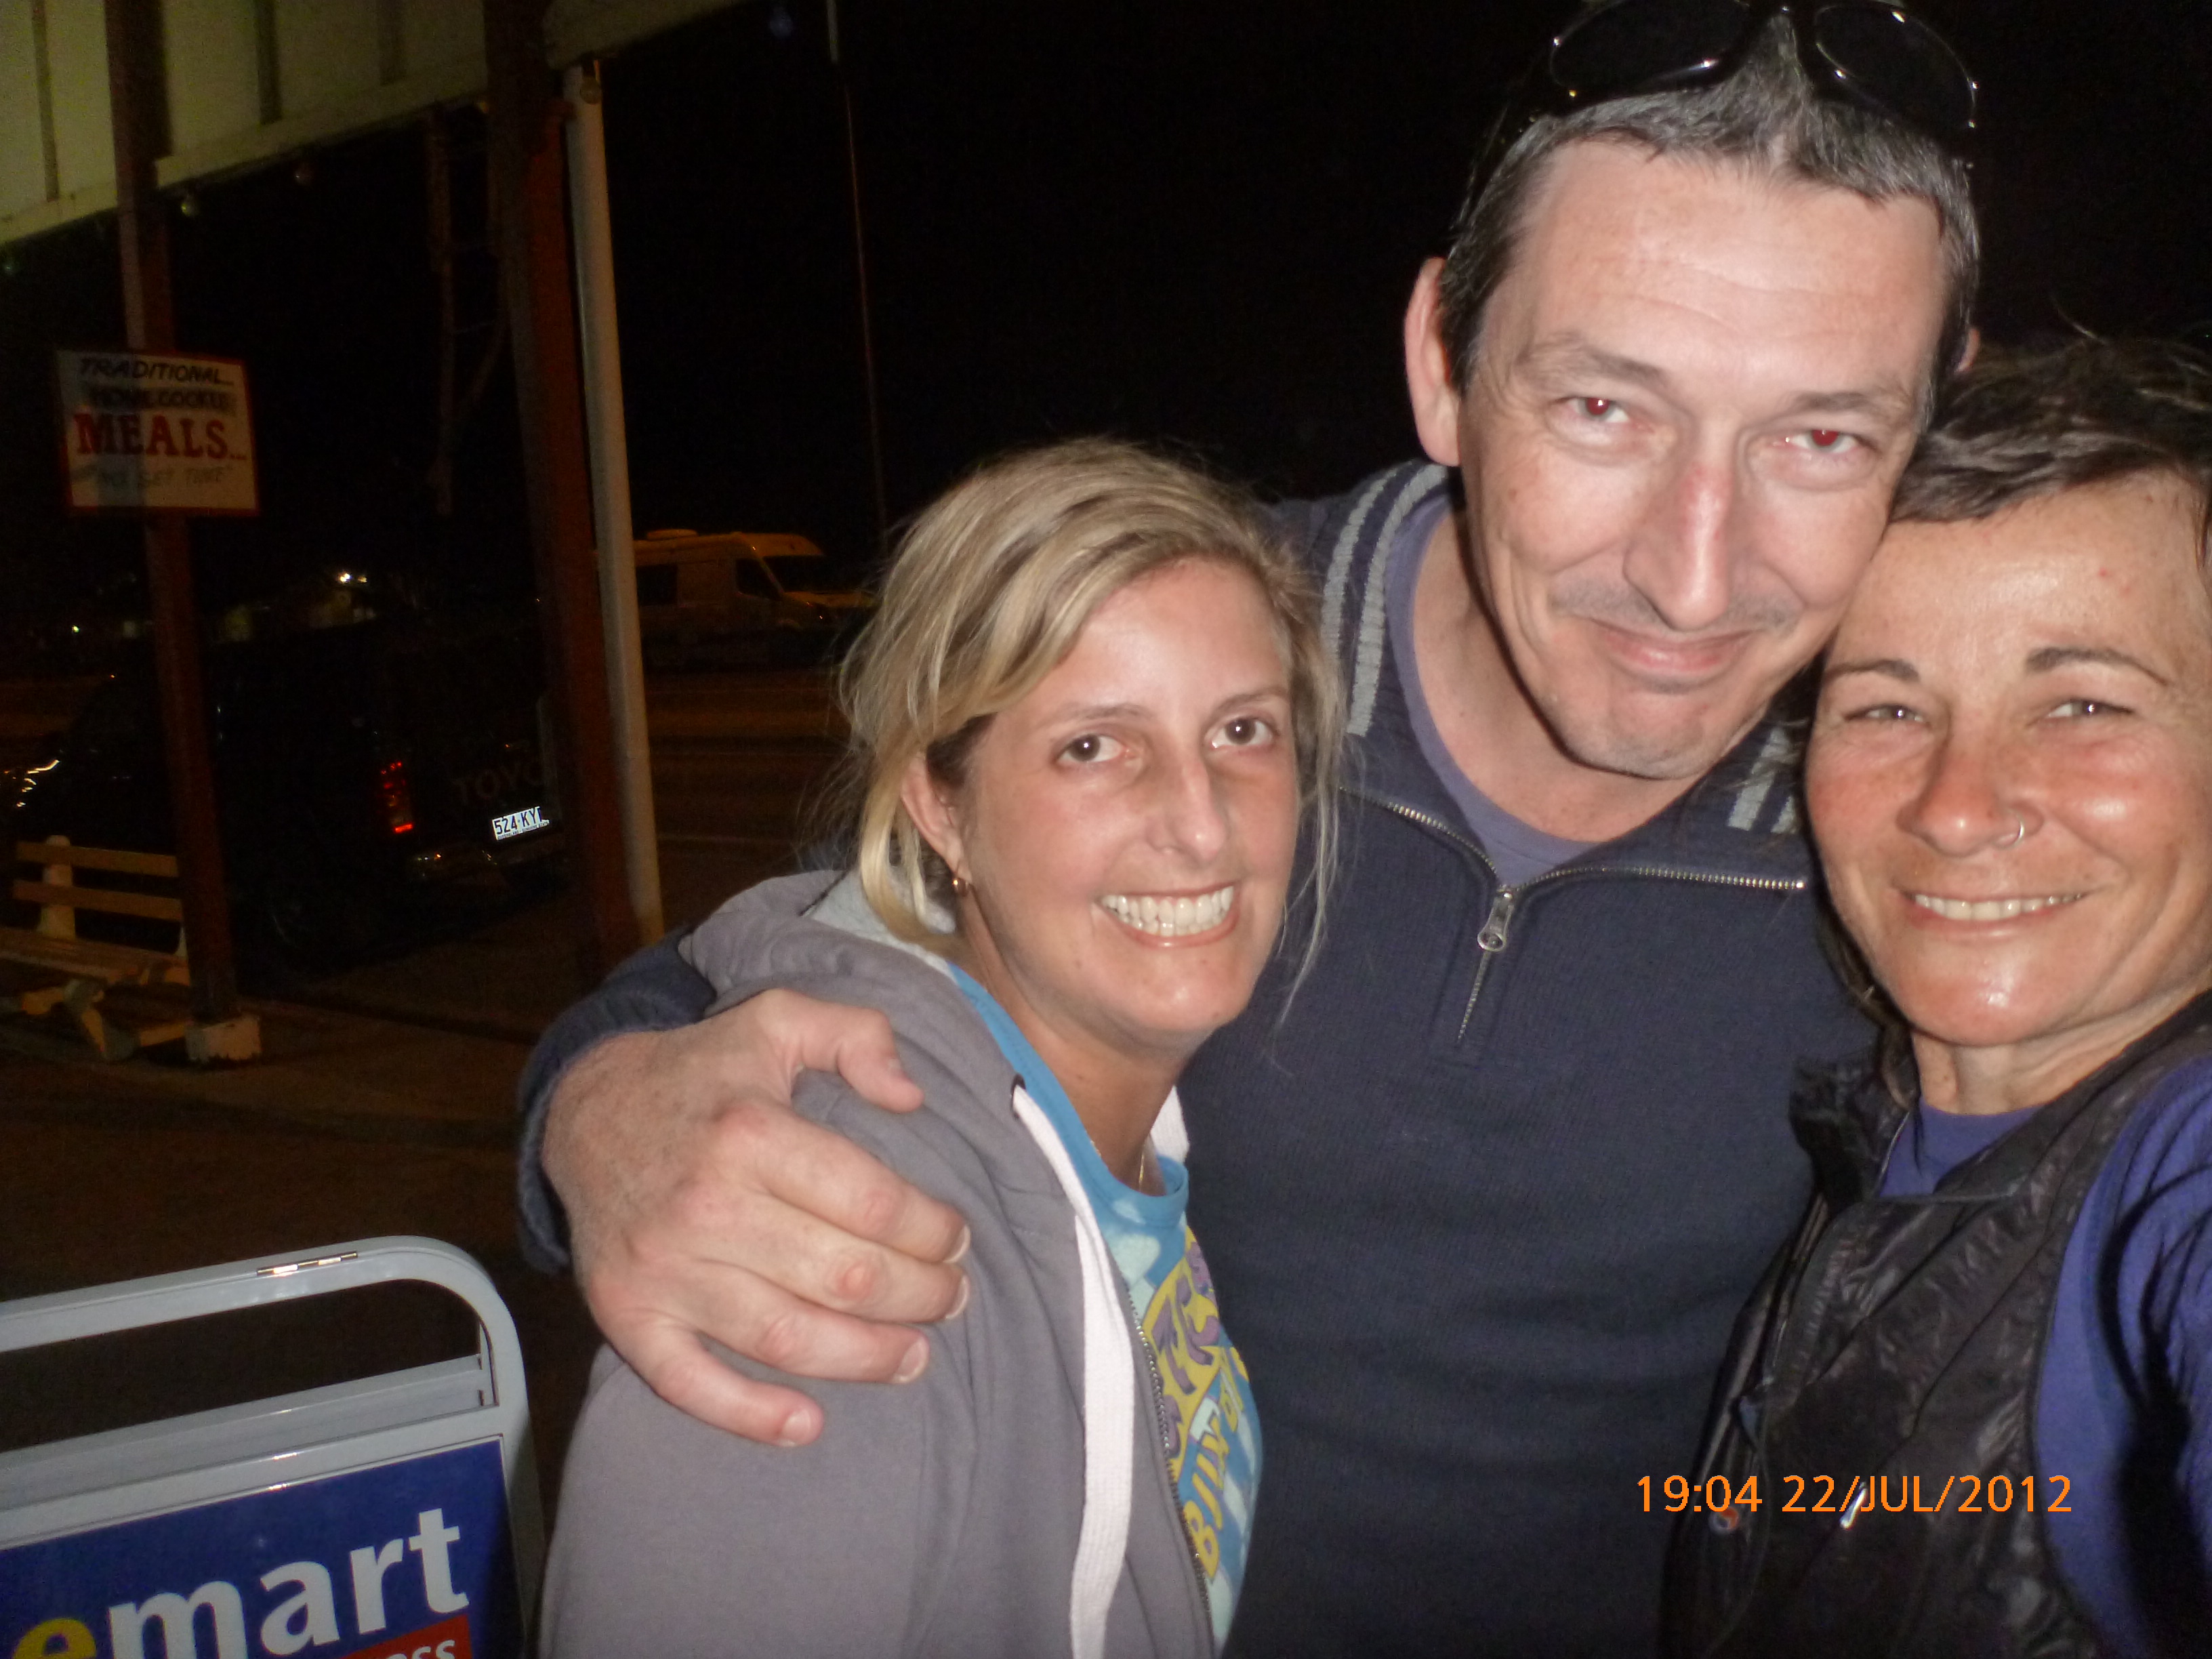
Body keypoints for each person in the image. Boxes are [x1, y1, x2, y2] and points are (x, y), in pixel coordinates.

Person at [517, 2, 1981, 1650]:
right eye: (1602, 408)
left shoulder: (1928, 834)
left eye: (1822, 438)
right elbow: (807, 954)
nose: (1693, 578)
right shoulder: (1200, 663)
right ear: (1443, 363)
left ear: (1935, 424)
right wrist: (601, 1104)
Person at [539, 439, 1344, 1657]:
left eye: (1243, 730)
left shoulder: (1114, 1138)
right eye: (1093, 745)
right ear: (941, 807)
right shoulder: (838, 1246)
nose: (1200, 824)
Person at [1668, 339, 2212, 1658]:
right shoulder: (1876, 1110)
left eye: (2082, 704)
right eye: (1887, 710)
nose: (1958, 808)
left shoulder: (2179, 1180)